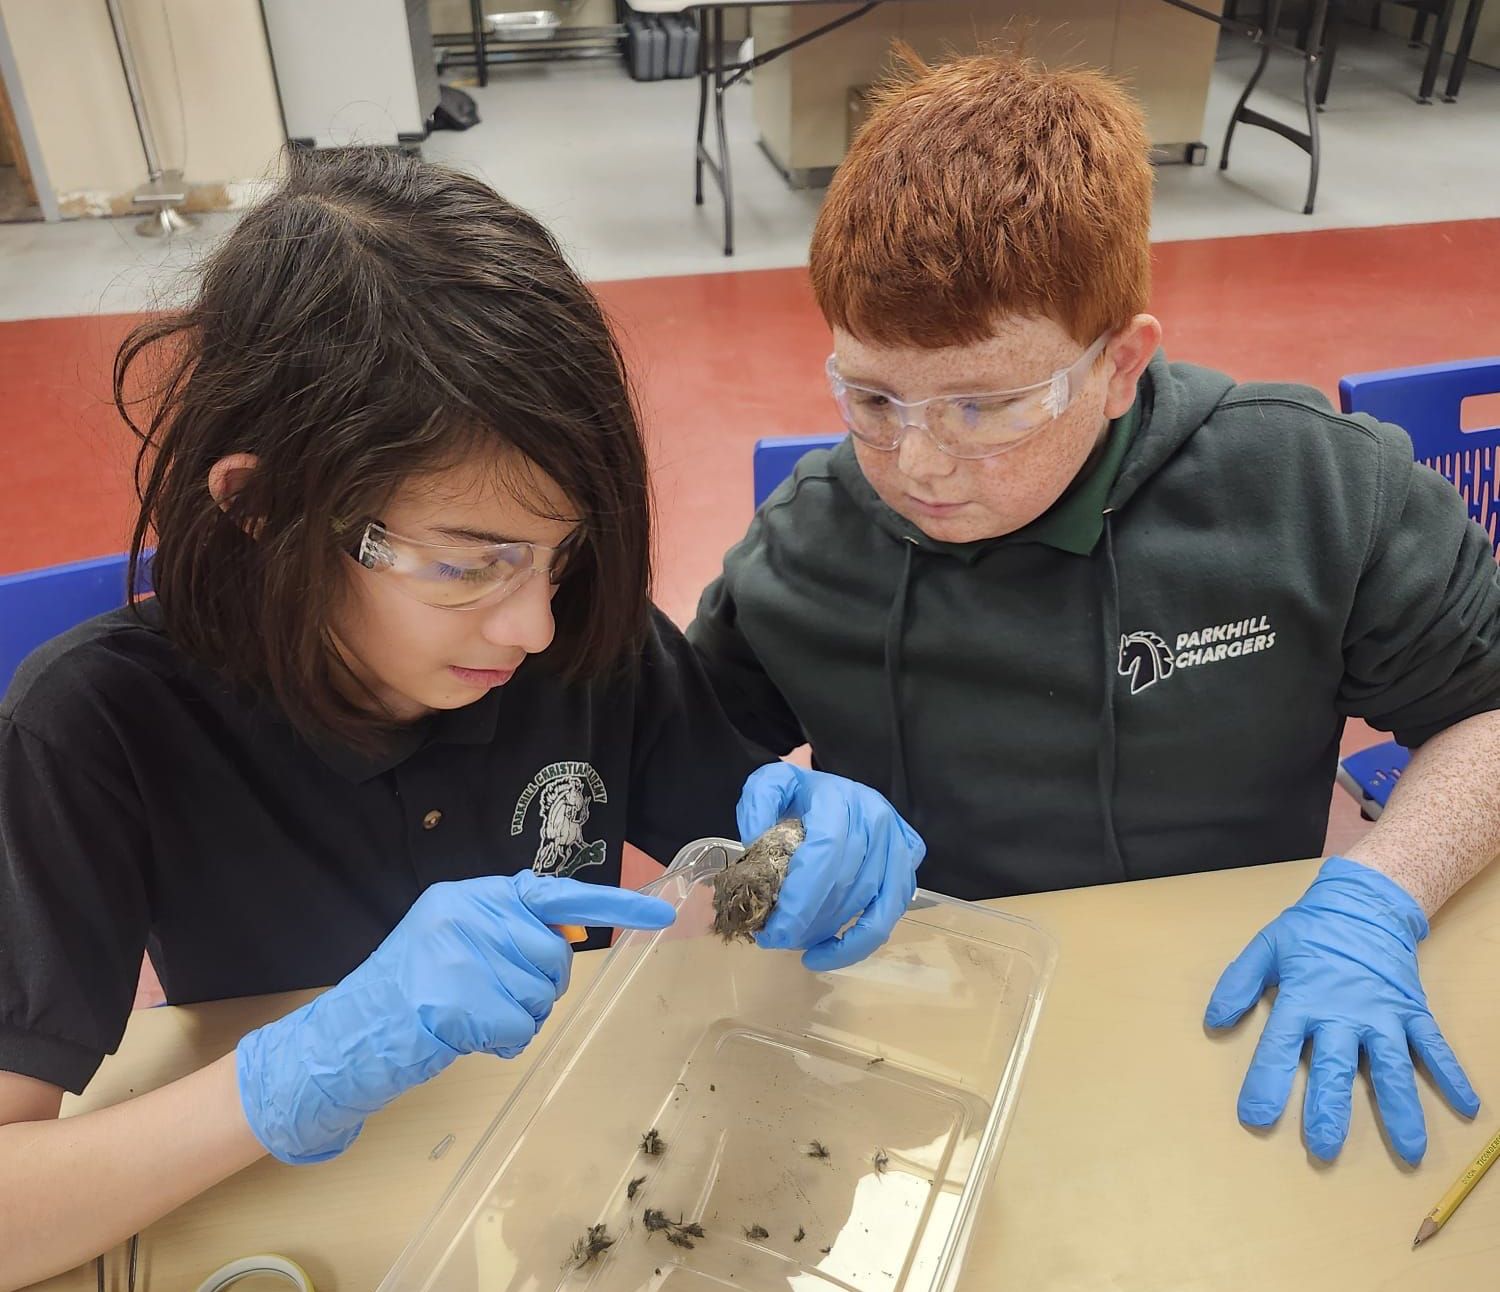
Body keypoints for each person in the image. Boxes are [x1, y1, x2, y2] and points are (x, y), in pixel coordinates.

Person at [0, 149, 923, 1288]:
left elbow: (739, 851)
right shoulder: (93, 727)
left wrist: (812, 843)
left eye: (558, 550)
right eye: (466, 565)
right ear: (259, 506)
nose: (534, 622)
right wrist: (285, 1074)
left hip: (559, 1197)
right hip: (302, 1222)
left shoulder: (586, 633)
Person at [689, 50, 1500, 1168]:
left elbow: (1490, 709)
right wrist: (765, 835)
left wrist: (1380, 893)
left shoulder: (1309, 490)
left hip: (1239, 1005)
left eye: (985, 404)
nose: (918, 461)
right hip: (919, 1046)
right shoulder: (811, 536)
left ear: (1122, 365)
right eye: (870, 396)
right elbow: (678, 761)